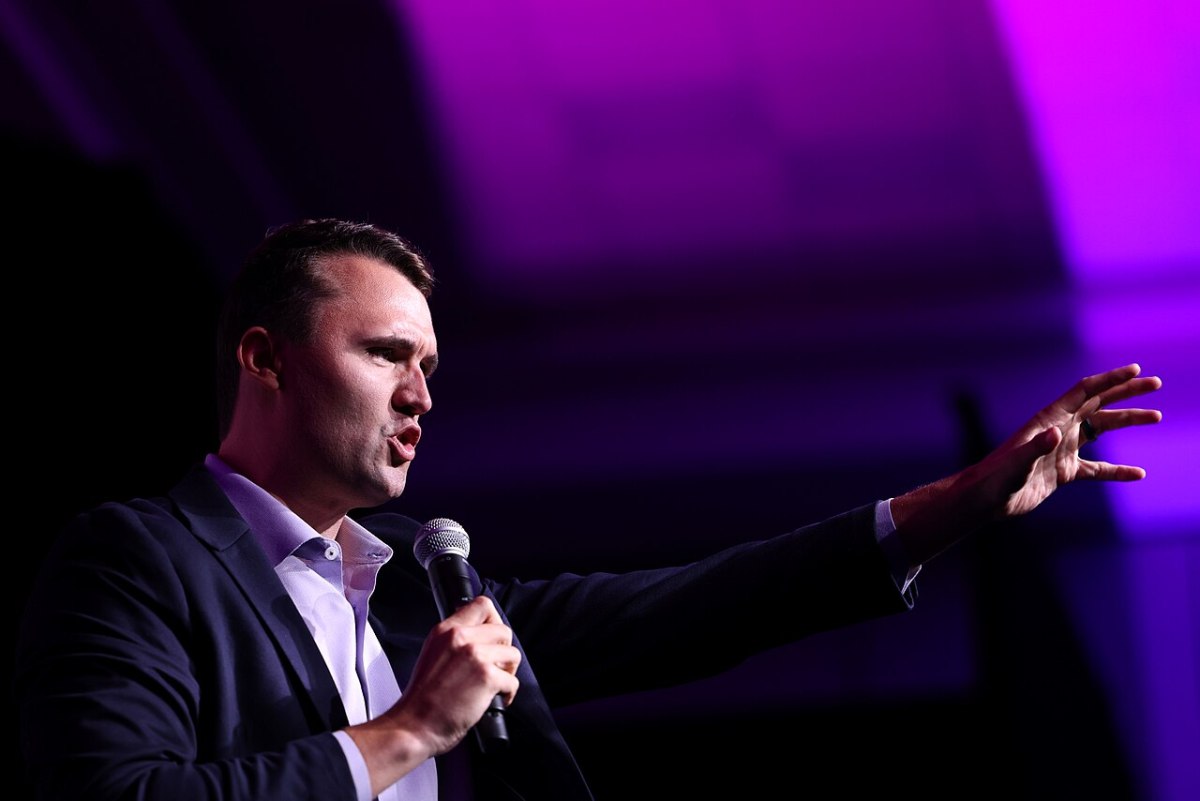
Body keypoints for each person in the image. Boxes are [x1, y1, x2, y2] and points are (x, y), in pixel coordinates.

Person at [14, 218, 1164, 801]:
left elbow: (695, 608)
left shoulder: (418, 587)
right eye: (384, 355)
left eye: (429, 367)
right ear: (265, 359)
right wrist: (408, 732)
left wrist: (954, 507)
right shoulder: (137, 558)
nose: (421, 397)